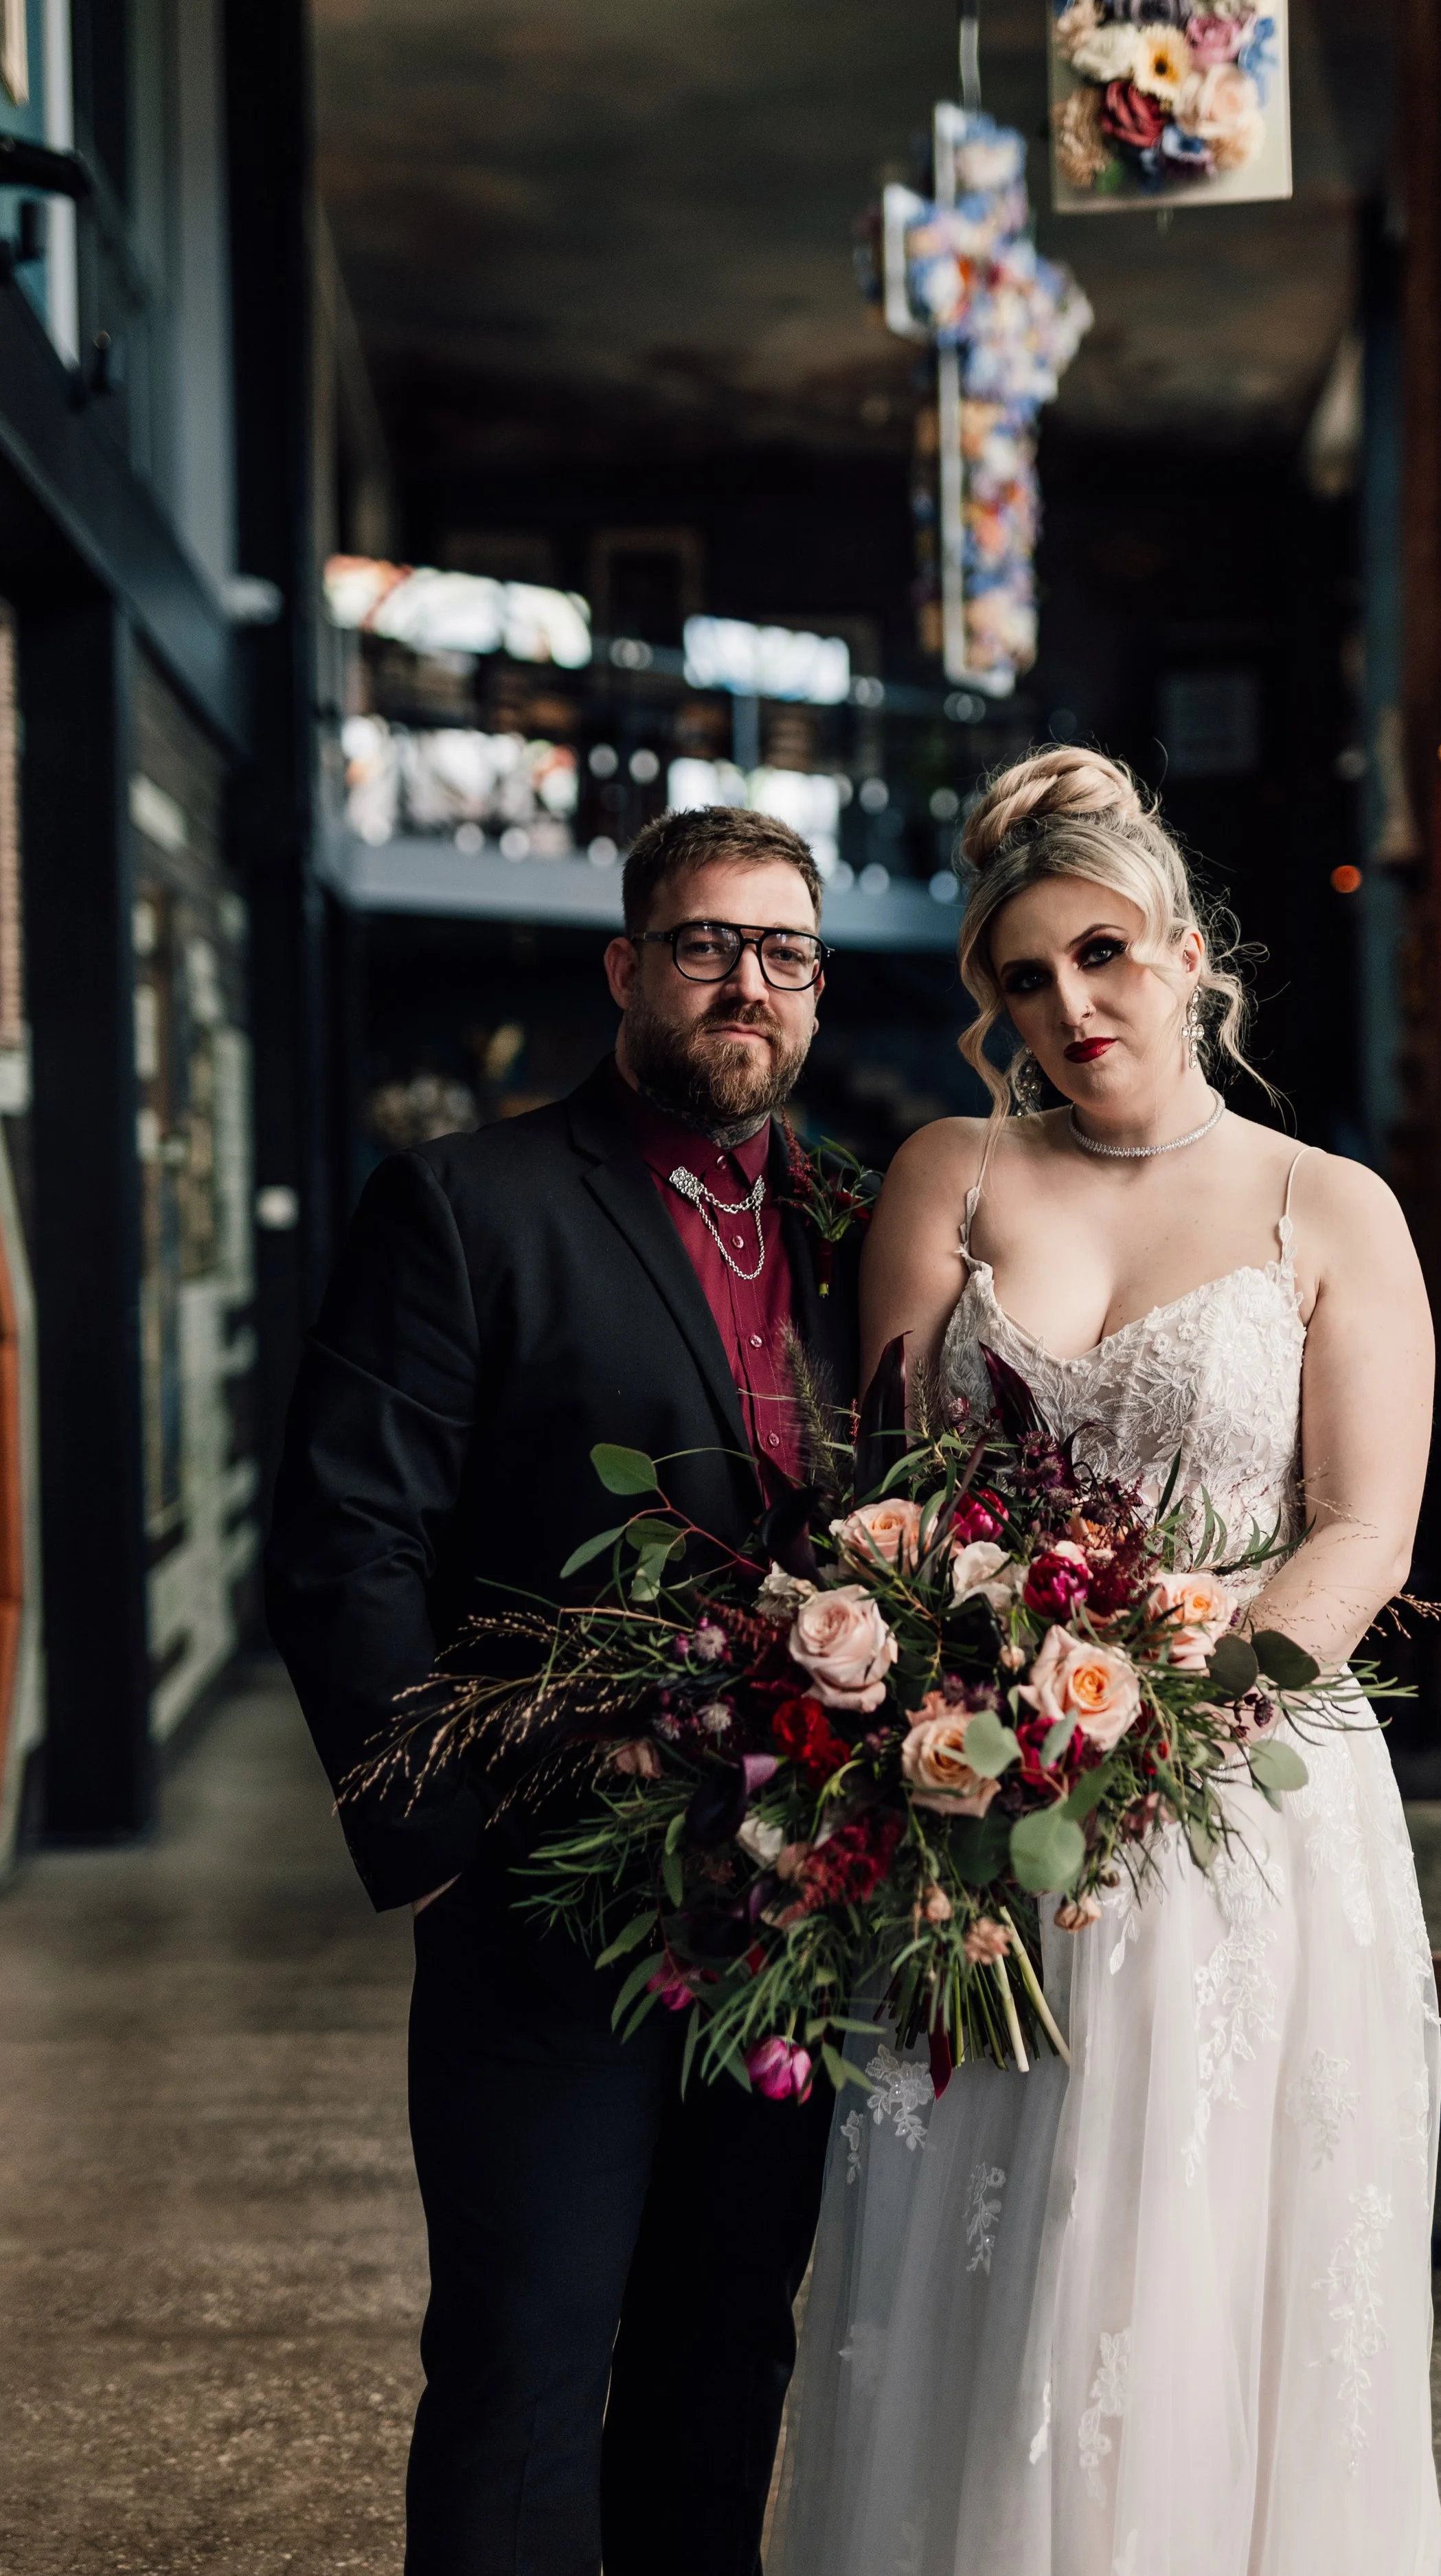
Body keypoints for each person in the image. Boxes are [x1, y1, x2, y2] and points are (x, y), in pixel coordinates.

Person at [769, 748, 1441, 2576]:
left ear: (1189, 951)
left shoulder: (1331, 1205)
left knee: (1194, 2250)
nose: (1068, 1005)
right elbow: (884, 1496)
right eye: (1023, 978)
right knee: (987, 2253)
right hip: (987, 1797)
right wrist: (979, 1698)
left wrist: (1170, 1716)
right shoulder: (955, 1171)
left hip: (1240, 1797)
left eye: (1103, 954)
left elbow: (1360, 1533)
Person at [264, 806, 861, 2576]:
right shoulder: (467, 1203)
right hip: (548, 1893)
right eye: (704, 944)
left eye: (783, 951)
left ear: (817, 988)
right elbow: (344, 1544)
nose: (745, 983)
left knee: (725, 2350)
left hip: (796, 1902)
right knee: (522, 2362)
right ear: (625, 968)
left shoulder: (863, 1220)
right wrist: (444, 1849)